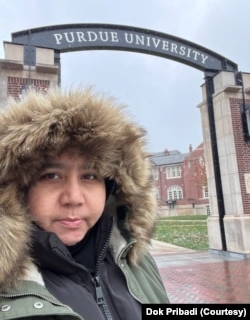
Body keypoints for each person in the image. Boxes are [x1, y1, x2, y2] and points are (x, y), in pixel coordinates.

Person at [0, 86, 169, 320]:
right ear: (18, 189)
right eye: (52, 176)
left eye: (90, 176)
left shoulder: (136, 262)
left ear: (111, 188)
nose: (74, 198)